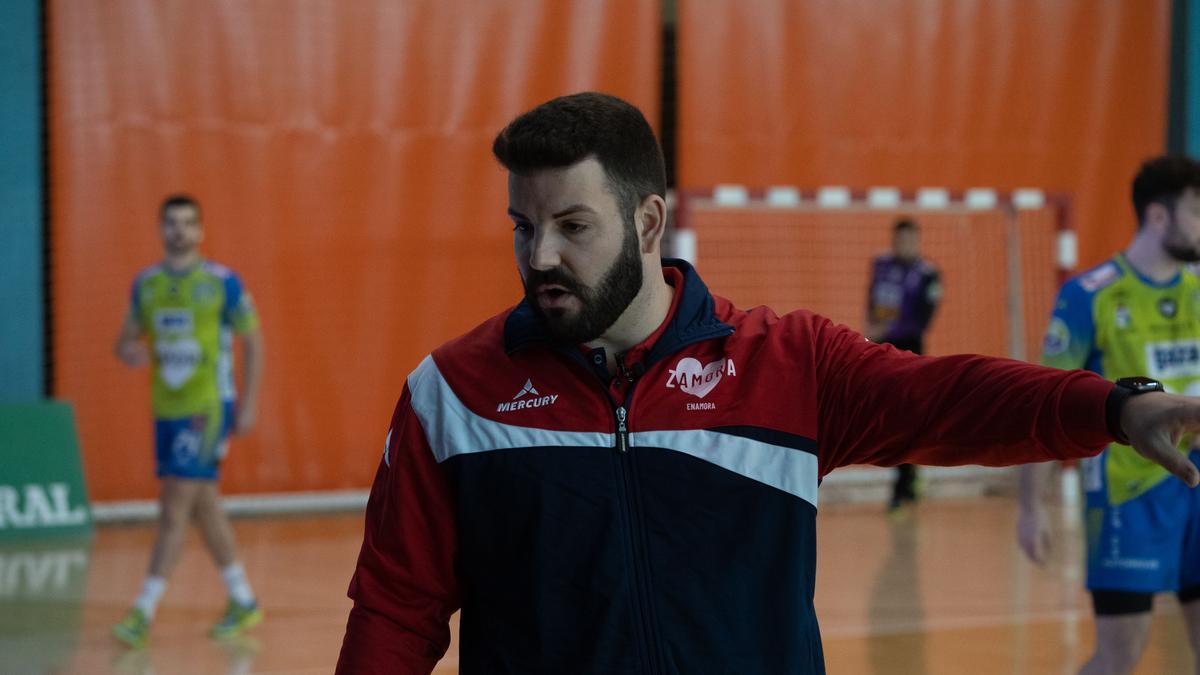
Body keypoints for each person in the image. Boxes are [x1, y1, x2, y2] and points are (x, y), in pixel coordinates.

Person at [335, 93, 1200, 674]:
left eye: (571, 225)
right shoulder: (452, 394)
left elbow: (951, 397)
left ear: (647, 221)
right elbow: (395, 609)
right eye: (523, 227)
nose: (540, 256)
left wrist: (1114, 406)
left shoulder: (787, 365)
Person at [1018, 156, 1200, 675]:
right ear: (1160, 216)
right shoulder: (1088, 296)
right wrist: (1032, 506)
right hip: (1127, 494)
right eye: (1197, 210)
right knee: (1118, 659)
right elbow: (1043, 401)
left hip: (1197, 487)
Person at [111, 194, 265, 648]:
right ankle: (243, 599)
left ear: (199, 231)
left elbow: (254, 342)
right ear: (161, 230)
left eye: (188, 223)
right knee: (202, 505)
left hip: (207, 408)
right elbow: (123, 341)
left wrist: (249, 403)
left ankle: (143, 609)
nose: (179, 230)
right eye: (171, 223)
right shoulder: (147, 285)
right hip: (166, 410)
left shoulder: (222, 283)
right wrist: (130, 351)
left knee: (174, 506)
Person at [866, 218, 942, 511]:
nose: (904, 245)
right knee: (887, 417)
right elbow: (871, 302)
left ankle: (903, 484)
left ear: (918, 241)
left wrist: (887, 329)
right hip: (882, 346)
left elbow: (923, 321)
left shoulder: (928, 274)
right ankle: (909, 476)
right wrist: (872, 331)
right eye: (900, 240)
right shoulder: (881, 265)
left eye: (910, 240)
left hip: (909, 350)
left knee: (906, 416)